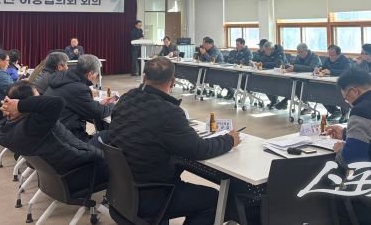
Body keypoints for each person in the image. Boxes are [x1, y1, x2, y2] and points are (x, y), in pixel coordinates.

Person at [108, 57, 240, 225]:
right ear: (172, 82)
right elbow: (199, 149)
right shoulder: (169, 112)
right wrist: (229, 140)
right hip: (150, 195)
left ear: (144, 78)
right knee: (213, 199)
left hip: (122, 191)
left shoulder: (126, 99)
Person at [0, 81, 108, 193]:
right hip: (80, 171)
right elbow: (57, 102)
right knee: (110, 139)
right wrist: (20, 106)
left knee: (104, 136)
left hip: (59, 175)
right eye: (37, 97)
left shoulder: (5, 132)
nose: (41, 98)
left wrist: (14, 108)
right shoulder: (34, 125)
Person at [45, 54, 116, 143]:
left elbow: (78, 104)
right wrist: (112, 105)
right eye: (97, 74)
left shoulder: (61, 78)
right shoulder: (79, 88)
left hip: (52, 133)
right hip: (68, 139)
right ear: (90, 73)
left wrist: (98, 104)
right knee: (108, 135)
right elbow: (97, 112)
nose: (96, 77)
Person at [319, 45, 352, 120]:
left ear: (338, 54)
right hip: (328, 82)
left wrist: (331, 71)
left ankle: (344, 114)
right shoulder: (327, 59)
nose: (330, 57)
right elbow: (323, 67)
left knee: (340, 96)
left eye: (332, 55)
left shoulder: (345, 60)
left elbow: (347, 71)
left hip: (342, 84)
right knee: (321, 94)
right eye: (329, 54)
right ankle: (335, 111)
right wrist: (319, 69)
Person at [254, 41, 286, 109]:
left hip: (281, 75)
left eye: (266, 51)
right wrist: (258, 64)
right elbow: (262, 61)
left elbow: (277, 64)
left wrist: (263, 64)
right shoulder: (266, 53)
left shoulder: (279, 53)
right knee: (263, 84)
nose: (265, 52)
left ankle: (276, 101)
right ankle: (274, 101)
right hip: (269, 74)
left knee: (270, 84)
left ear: (272, 49)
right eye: (264, 51)